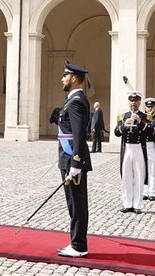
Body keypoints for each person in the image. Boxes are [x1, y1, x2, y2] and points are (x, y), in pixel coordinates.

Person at [56, 61, 92, 258]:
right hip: (69, 159)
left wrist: (76, 164)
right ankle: (77, 242)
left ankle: (79, 245)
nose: (62, 78)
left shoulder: (76, 100)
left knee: (76, 204)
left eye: (65, 75)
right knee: (74, 203)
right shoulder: (73, 100)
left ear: (75, 78)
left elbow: (78, 135)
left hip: (72, 160)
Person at [114, 91, 153, 215]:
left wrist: (140, 122)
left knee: (139, 176)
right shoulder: (123, 116)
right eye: (131, 101)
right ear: (128, 102)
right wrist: (125, 126)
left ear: (139, 102)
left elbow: (151, 131)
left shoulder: (146, 116)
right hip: (127, 149)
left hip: (139, 149)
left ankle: (137, 204)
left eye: (136, 101)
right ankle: (127, 204)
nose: (133, 103)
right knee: (126, 176)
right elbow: (116, 131)